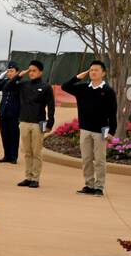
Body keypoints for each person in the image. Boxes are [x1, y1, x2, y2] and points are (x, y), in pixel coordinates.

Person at [61, 60, 118, 197]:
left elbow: (112, 113)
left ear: (103, 73)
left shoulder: (108, 91)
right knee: (86, 159)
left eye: (96, 70)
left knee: (99, 160)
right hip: (85, 129)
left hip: (100, 131)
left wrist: (111, 132)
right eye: (91, 70)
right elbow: (65, 87)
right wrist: (78, 77)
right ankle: (89, 185)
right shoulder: (82, 88)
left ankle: (99, 186)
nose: (93, 72)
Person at [15, 59, 56, 188]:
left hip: (39, 123)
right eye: (30, 70)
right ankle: (28, 177)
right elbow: (8, 86)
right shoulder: (24, 85)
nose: (31, 73)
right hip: (24, 122)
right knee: (27, 152)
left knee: (36, 152)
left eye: (34, 71)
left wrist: (50, 122)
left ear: (40, 72)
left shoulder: (46, 87)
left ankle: (35, 179)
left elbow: (51, 106)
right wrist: (20, 75)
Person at [0, 62, 22, 163]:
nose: (10, 73)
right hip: (3, 111)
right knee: (4, 134)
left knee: (14, 135)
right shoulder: (5, 81)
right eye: (9, 71)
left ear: (17, 72)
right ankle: (6, 155)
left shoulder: (19, 83)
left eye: (12, 71)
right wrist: (1, 75)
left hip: (14, 113)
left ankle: (13, 156)